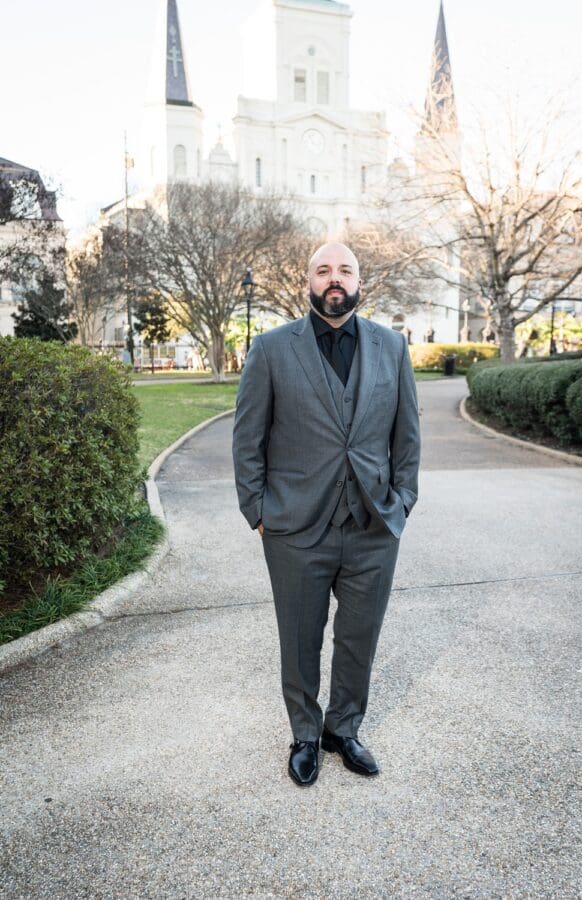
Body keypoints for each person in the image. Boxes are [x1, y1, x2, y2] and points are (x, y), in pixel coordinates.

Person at [232, 242, 421, 786]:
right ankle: (306, 735)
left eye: (345, 270)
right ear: (307, 282)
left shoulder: (392, 347)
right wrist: (258, 510)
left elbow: (406, 435)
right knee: (300, 637)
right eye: (323, 271)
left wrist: (402, 500)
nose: (334, 279)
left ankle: (344, 729)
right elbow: (248, 439)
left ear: (361, 280)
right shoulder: (271, 349)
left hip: (373, 525)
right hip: (294, 528)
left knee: (360, 635)